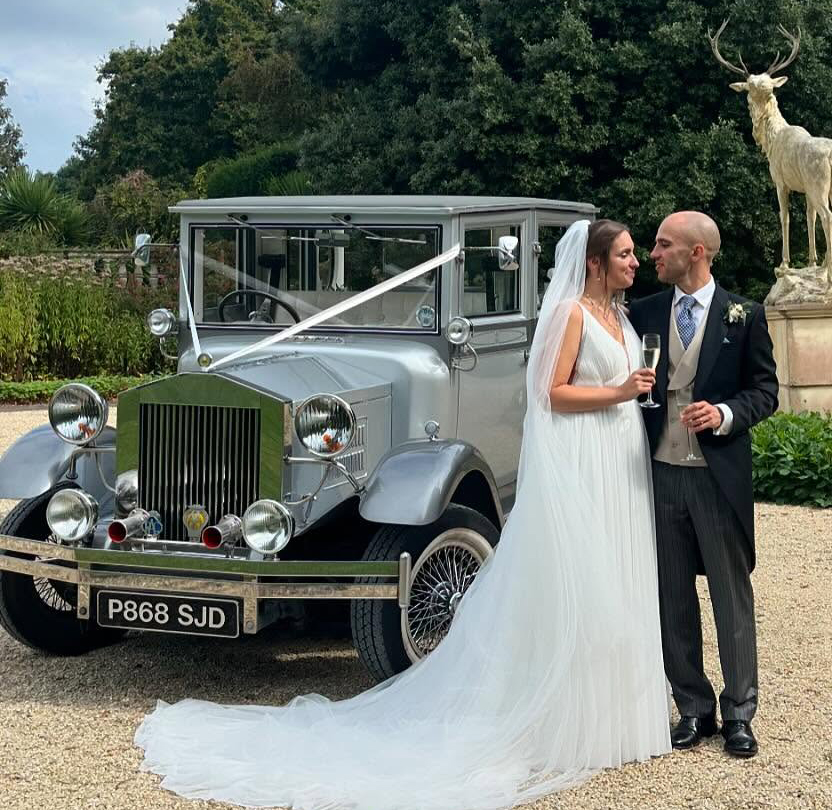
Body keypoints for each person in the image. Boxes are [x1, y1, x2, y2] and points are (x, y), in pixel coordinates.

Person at [134, 219, 671, 810]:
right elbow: (552, 391)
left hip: (613, 455)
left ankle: (605, 714)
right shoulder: (572, 313)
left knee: (610, 575)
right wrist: (619, 392)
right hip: (589, 444)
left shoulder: (622, 315)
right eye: (624, 253)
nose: (636, 261)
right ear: (595, 263)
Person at [628, 211, 779, 759]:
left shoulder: (746, 315)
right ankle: (692, 706)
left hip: (718, 481)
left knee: (730, 597)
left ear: (697, 252)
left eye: (663, 244)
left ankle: (740, 711)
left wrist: (724, 413)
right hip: (660, 474)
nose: (652, 253)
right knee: (672, 595)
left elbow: (766, 392)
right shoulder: (641, 312)